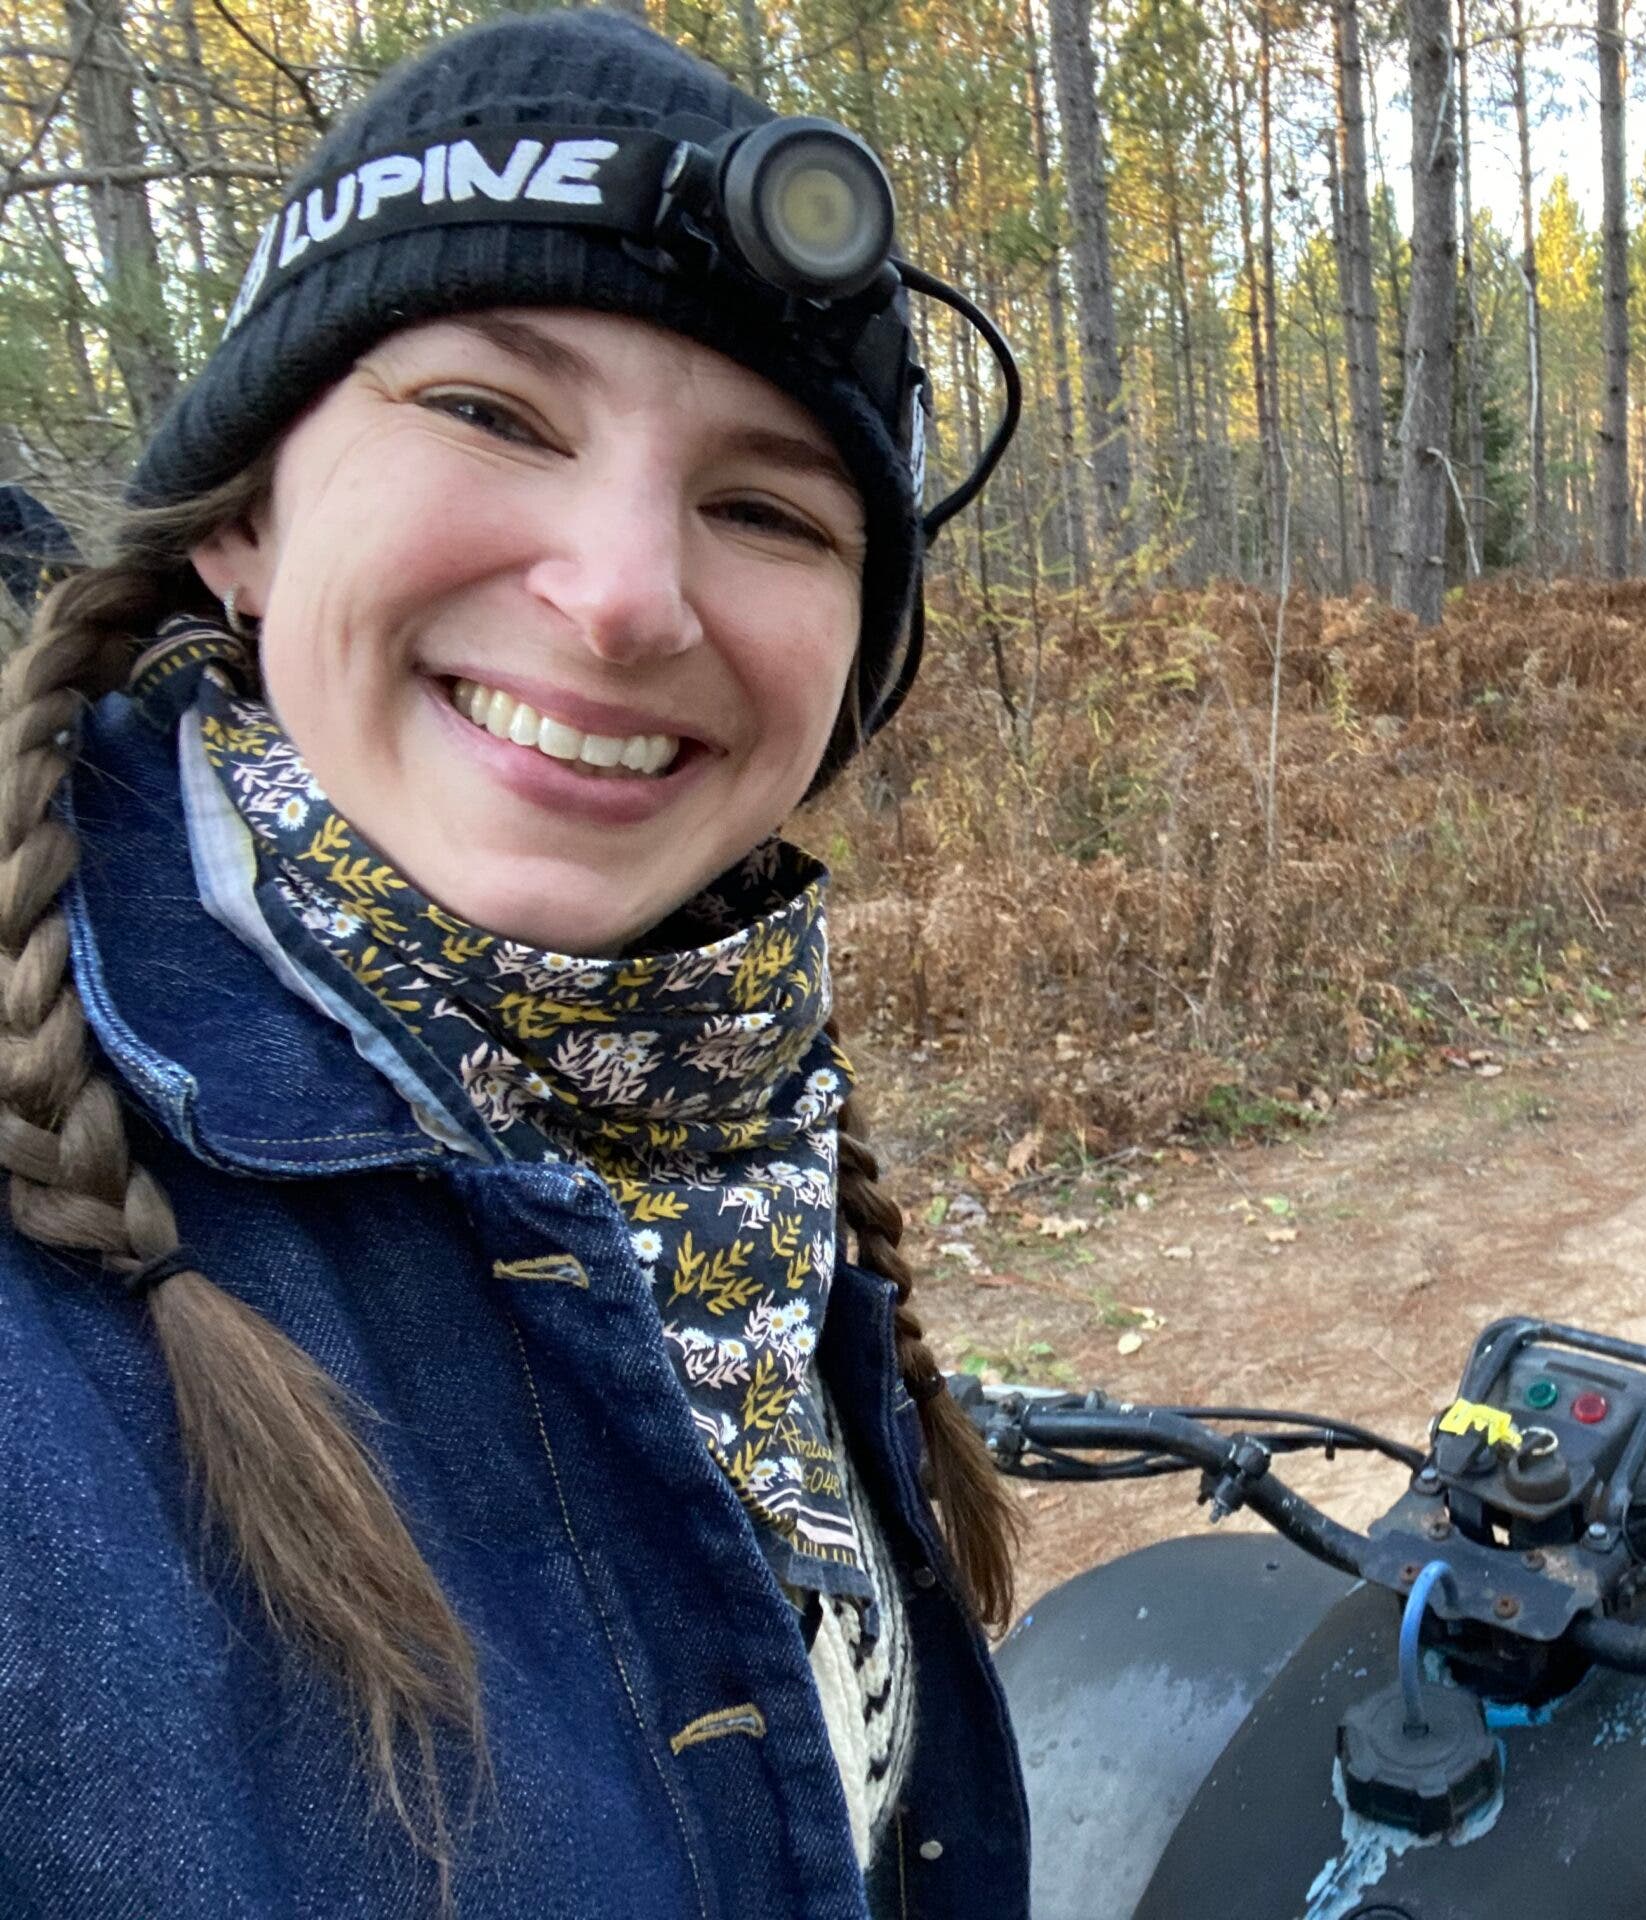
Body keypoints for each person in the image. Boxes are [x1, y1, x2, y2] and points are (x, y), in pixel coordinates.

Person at [0, 12, 1028, 1916]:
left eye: (767, 507)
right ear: (242, 512)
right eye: (491, 413)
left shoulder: (728, 1134)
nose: (628, 593)